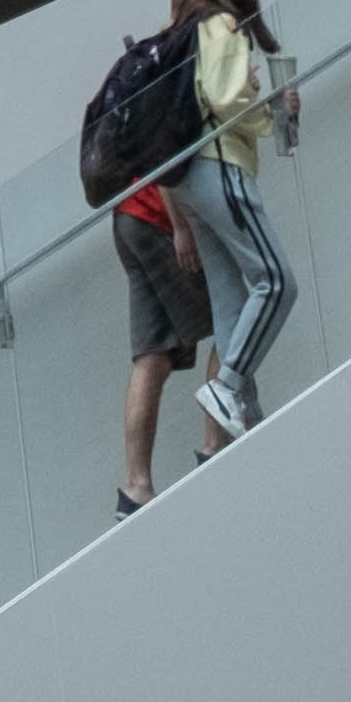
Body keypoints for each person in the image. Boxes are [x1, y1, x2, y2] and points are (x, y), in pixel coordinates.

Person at [178, 0, 304, 447]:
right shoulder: (224, 25)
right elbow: (227, 103)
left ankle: (245, 418)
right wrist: (272, 112)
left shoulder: (188, 27)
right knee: (277, 281)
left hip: (189, 180)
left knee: (232, 307)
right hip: (220, 166)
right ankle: (229, 388)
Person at [108, 146, 208, 510]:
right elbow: (159, 148)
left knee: (153, 357)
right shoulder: (163, 84)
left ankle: (136, 488)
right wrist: (181, 227)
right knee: (237, 312)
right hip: (157, 216)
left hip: (129, 215)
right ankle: (215, 445)